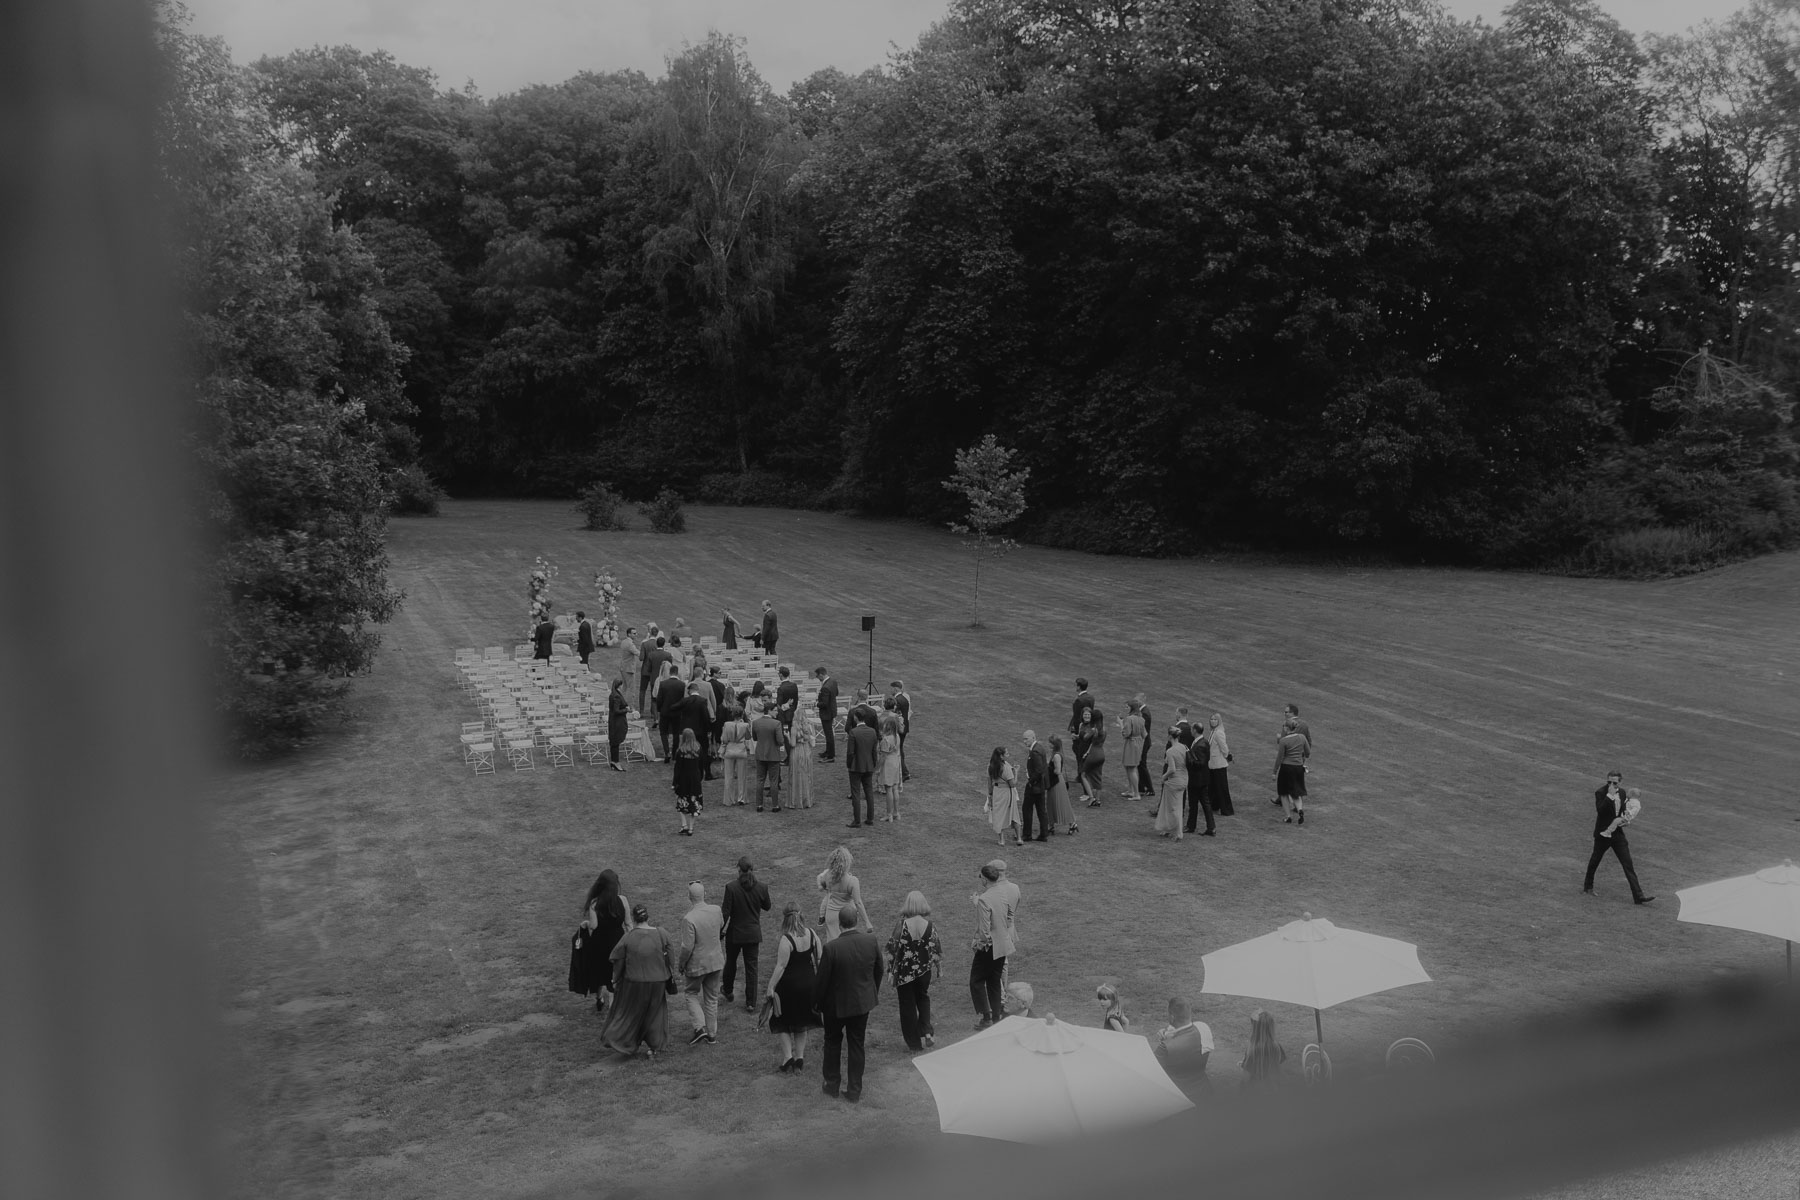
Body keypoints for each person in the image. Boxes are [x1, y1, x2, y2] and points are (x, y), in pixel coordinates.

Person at [815, 903, 883, 1102]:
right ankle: (854, 1090)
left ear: (839, 923)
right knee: (856, 1044)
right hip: (862, 1004)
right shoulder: (871, 941)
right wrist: (871, 993)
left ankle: (832, 1084)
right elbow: (878, 970)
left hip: (835, 1007)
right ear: (856, 921)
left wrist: (816, 1004)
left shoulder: (831, 948)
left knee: (832, 1043)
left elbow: (822, 981)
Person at [600, 903, 677, 1058]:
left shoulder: (628, 937)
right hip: (658, 981)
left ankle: (622, 1042)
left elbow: (617, 959)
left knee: (630, 1013)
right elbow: (671, 956)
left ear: (634, 919)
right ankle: (654, 1048)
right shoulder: (662, 933)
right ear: (647, 917)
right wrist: (669, 973)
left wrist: (615, 978)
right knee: (656, 1014)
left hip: (633, 983)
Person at [767, 902, 823, 1074]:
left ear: (785, 918)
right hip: (809, 985)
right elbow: (820, 959)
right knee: (802, 1022)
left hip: (789, 987)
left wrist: (770, 987)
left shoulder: (787, 939)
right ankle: (799, 1057)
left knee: (780, 1021)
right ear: (801, 915)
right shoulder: (812, 934)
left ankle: (787, 1057)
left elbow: (781, 966)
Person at [1584, 771, 1654, 903]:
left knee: (1628, 864)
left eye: (1614, 783)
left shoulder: (1622, 793)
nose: (1611, 784)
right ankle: (1588, 887)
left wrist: (1624, 821)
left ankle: (1638, 896)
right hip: (1603, 834)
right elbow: (1601, 810)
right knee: (1595, 861)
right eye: (1609, 782)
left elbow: (1622, 811)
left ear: (1620, 783)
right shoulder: (1600, 792)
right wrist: (1609, 795)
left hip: (1617, 835)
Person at [885, 891, 941, 1052]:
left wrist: (890, 971)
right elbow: (937, 949)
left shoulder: (901, 925)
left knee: (907, 1005)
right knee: (923, 999)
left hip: (905, 973)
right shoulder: (930, 925)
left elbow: (892, 949)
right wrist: (939, 969)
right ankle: (927, 1031)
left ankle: (914, 1044)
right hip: (924, 972)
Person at [969, 860, 1019, 1030]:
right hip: (1003, 944)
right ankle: (996, 1016)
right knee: (994, 980)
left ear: (984, 879)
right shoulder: (1002, 892)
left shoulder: (984, 899)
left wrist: (979, 944)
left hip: (989, 947)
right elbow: (1010, 915)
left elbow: (984, 930)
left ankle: (986, 1017)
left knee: (976, 980)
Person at [720, 856, 771, 1011]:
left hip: (734, 935)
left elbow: (725, 914)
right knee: (752, 968)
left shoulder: (731, 887)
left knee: (731, 962)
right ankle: (751, 1003)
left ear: (738, 869)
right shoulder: (762, 887)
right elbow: (767, 906)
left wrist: (720, 932)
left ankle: (727, 990)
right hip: (753, 934)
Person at [678, 883, 725, 1044]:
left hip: (697, 965)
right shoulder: (716, 910)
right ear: (705, 893)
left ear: (689, 897)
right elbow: (720, 927)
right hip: (715, 961)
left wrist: (681, 964)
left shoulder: (689, 919)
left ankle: (700, 1028)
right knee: (712, 997)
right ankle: (712, 1035)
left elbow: (687, 946)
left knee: (691, 993)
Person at [581, 869, 628, 1015]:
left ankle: (599, 998)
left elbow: (594, 926)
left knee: (599, 971)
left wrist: (586, 924)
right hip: (618, 940)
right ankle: (613, 1006)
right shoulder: (623, 900)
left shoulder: (595, 903)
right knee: (614, 973)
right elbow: (628, 923)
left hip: (600, 943)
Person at [1156, 998, 1214, 1095]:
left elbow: (1152, 1071)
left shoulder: (1165, 1047)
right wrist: (1167, 1033)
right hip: (1204, 1091)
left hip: (1178, 1096)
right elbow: (1187, 1029)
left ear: (1172, 1017)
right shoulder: (1204, 1028)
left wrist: (1166, 1039)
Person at [817, 847, 872, 941]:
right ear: (847, 862)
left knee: (833, 944)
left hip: (831, 915)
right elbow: (858, 902)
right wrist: (867, 922)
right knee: (848, 943)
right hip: (848, 915)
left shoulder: (827, 876)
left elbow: (822, 887)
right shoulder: (852, 881)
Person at [750, 700, 787, 812]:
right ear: (769, 711)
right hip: (773, 755)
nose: (776, 713)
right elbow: (780, 741)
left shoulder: (756, 723)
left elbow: (755, 738)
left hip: (760, 754)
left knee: (760, 780)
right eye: (775, 710)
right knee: (773, 780)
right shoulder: (776, 724)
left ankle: (759, 805)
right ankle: (775, 805)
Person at [845, 708, 879, 827]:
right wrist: (874, 763)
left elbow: (850, 752)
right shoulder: (873, 732)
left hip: (855, 766)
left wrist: (849, 765)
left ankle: (857, 820)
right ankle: (870, 818)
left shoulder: (853, 732)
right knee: (869, 792)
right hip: (869, 765)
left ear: (855, 718)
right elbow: (874, 751)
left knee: (856, 793)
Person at [1240, 1009, 1288, 1090]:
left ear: (1255, 1030)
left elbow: (1246, 1077)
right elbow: (1281, 1067)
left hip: (1256, 1093)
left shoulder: (1252, 1050)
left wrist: (1242, 1066)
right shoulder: (1277, 1046)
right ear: (1271, 1028)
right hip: (1275, 1089)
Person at [986, 746, 1023, 847]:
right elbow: (1013, 784)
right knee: (1014, 815)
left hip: (997, 792)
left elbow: (989, 783)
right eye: (1006, 753)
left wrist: (990, 795)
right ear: (1001, 756)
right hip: (1007, 793)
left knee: (998, 816)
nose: (1008, 754)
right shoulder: (1006, 768)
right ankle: (1019, 837)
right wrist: (1016, 772)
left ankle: (1001, 839)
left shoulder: (990, 766)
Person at [1275, 718, 1309, 825]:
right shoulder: (1302, 737)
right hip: (1298, 768)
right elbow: (1307, 753)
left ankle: (1288, 816)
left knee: (1284, 793)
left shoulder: (1283, 741)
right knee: (1296, 792)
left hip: (1286, 768)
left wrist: (1274, 771)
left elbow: (1279, 758)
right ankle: (1299, 810)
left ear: (1286, 728)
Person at [1185, 721, 1216, 836]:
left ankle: (1191, 826)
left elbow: (1199, 764)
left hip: (1197, 780)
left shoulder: (1200, 745)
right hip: (1202, 779)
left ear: (1194, 730)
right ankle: (1210, 827)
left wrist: (1188, 754)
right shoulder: (1202, 742)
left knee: (1194, 804)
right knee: (1205, 804)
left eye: (1192, 729)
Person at [672, 729, 705, 836]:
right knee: (694, 804)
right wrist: (701, 777)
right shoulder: (698, 749)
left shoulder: (680, 751)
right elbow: (701, 765)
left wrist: (674, 782)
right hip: (695, 778)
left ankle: (684, 825)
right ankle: (690, 828)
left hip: (683, 780)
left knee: (681, 802)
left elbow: (677, 768)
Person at [679, 681, 713, 780]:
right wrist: (708, 729)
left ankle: (694, 772)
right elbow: (706, 716)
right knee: (704, 751)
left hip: (690, 729)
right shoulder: (702, 700)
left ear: (690, 690)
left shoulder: (686, 701)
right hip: (701, 730)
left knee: (691, 750)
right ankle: (707, 772)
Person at [1155, 729, 1185, 841]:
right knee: (1175, 806)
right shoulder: (1183, 747)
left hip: (1174, 782)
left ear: (1170, 737)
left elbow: (1172, 769)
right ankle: (1168, 829)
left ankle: (1178, 832)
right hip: (1183, 779)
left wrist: (1163, 777)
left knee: (1172, 808)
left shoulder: (1171, 751)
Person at [718, 703, 751, 806]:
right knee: (742, 776)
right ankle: (742, 798)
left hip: (729, 750)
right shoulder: (745, 725)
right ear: (742, 714)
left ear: (732, 714)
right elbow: (748, 737)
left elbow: (724, 739)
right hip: (741, 750)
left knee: (729, 777)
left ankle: (729, 800)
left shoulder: (727, 724)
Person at [1021, 730, 1049, 842]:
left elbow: (1038, 770)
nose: (1024, 741)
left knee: (1027, 809)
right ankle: (1044, 834)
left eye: (1026, 739)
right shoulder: (1039, 748)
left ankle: (1027, 834)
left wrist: (1031, 781)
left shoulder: (1035, 751)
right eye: (1023, 739)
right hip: (1040, 786)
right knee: (1041, 810)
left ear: (1033, 737)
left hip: (1034, 786)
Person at [654, 661, 685, 761]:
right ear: (677, 673)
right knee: (676, 733)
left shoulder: (663, 684)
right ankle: (675, 752)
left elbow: (659, 699)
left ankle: (667, 752)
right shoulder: (682, 684)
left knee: (663, 732)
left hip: (665, 711)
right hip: (677, 712)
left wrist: (659, 709)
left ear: (670, 672)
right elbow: (683, 699)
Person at [877, 710, 905, 821]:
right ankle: (896, 813)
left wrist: (877, 768)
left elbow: (883, 756)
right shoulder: (897, 736)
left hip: (888, 763)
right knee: (895, 788)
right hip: (895, 762)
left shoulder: (886, 740)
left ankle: (889, 814)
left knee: (888, 789)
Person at [1047, 735, 1077, 835]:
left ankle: (1072, 823)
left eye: (1051, 743)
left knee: (1060, 803)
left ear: (1055, 744)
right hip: (1054, 782)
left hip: (1056, 782)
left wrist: (1048, 770)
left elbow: (1057, 771)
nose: (1049, 744)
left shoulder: (1056, 756)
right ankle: (1050, 825)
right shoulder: (1055, 754)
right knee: (1051, 803)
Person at [1077, 707, 1107, 806]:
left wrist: (1082, 732)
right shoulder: (1104, 729)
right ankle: (1098, 800)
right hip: (1101, 753)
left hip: (1093, 753)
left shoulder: (1094, 729)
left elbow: (1085, 738)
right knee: (1098, 776)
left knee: (1083, 774)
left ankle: (1091, 797)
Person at [788, 710, 817, 809]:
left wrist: (787, 737)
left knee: (796, 774)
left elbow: (793, 744)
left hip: (797, 751)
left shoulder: (794, 728)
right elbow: (812, 739)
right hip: (807, 751)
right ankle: (808, 800)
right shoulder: (809, 726)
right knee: (807, 774)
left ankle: (796, 800)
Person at [1206, 713, 1234, 815]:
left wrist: (1227, 756)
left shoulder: (1218, 733)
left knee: (1221, 787)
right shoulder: (1213, 731)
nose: (1213, 721)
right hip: (1213, 764)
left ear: (1219, 721)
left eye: (1215, 719)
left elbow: (1224, 748)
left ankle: (1226, 809)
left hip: (1218, 764)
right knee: (1213, 787)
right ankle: (1214, 805)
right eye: (1211, 719)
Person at [1118, 703, 1146, 799]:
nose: (1126, 708)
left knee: (1132, 769)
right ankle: (1131, 790)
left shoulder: (1129, 719)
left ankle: (1136, 793)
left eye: (1127, 707)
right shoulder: (1141, 719)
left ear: (1132, 708)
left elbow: (1126, 733)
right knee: (1128, 767)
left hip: (1131, 744)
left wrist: (1121, 723)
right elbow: (1144, 735)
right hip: (1137, 744)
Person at [887, 680, 913, 781]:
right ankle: (903, 772)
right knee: (900, 749)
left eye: (891, 688)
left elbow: (895, 714)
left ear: (895, 688)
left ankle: (904, 773)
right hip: (904, 727)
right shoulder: (904, 698)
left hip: (899, 729)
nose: (890, 690)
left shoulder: (897, 700)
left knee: (897, 750)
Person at [639, 636, 671, 713]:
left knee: (643, 690)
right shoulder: (667, 655)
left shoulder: (650, 653)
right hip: (658, 675)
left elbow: (643, 660)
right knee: (654, 694)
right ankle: (653, 712)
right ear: (664, 644)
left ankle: (641, 710)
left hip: (647, 672)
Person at [814, 666, 839, 762]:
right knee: (828, 733)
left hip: (827, 713)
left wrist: (816, 703)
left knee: (828, 734)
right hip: (832, 710)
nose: (817, 678)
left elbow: (824, 703)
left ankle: (830, 756)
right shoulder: (833, 681)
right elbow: (836, 693)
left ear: (821, 674)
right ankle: (828, 751)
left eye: (817, 676)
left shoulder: (825, 687)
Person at [1135, 694, 1157, 797]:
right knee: (1140, 765)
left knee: (1142, 765)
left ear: (1142, 700)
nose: (1135, 702)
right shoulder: (1143, 711)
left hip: (1144, 742)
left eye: (1137, 700)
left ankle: (1149, 788)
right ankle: (1142, 787)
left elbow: (1142, 729)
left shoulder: (1145, 713)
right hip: (1143, 741)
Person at [606, 677, 629, 771]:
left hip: (615, 720)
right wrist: (626, 710)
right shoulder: (616, 696)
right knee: (615, 741)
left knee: (614, 741)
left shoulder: (615, 694)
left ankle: (614, 762)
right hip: (617, 721)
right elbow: (616, 711)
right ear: (619, 686)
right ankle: (615, 762)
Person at [775, 666, 800, 744]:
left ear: (781, 675)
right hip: (793, 713)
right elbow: (796, 700)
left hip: (784, 715)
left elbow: (779, 705)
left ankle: (789, 753)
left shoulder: (781, 688)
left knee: (786, 735)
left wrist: (786, 706)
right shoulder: (794, 685)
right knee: (792, 734)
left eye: (779, 673)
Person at [620, 627, 641, 709]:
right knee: (631, 689)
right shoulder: (630, 644)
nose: (636, 635)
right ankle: (630, 707)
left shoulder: (624, 641)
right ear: (629, 634)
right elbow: (638, 653)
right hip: (629, 669)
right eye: (634, 633)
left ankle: (623, 704)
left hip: (623, 667)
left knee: (625, 688)